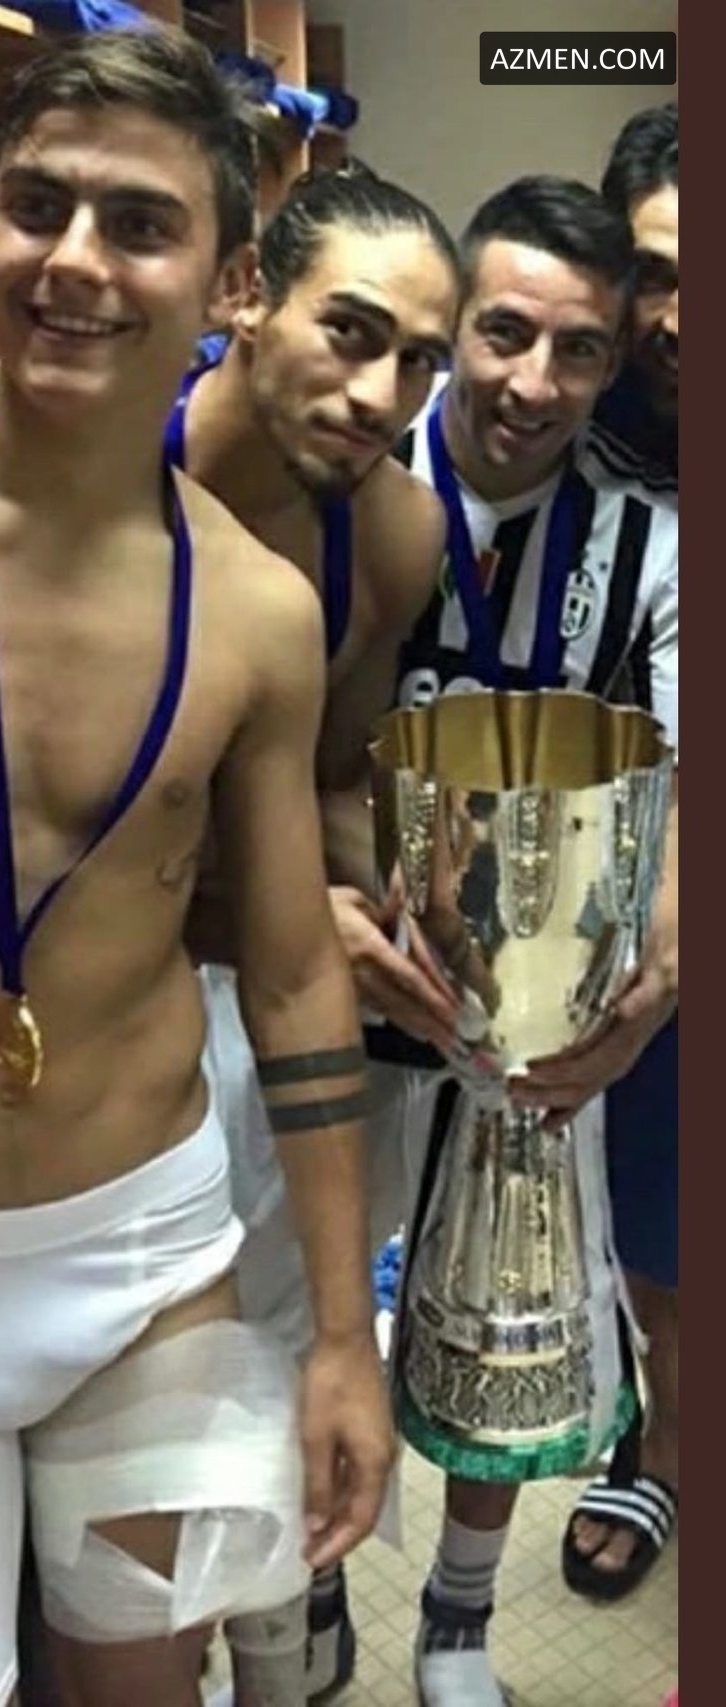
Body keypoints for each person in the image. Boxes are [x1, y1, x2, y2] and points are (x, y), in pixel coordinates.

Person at [0, 29, 394, 1707]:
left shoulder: (259, 612)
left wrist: (340, 1333)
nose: (76, 262)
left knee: (144, 1694)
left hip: (151, 1259)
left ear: (232, 284)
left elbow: (294, 973)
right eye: (39, 207)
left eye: (141, 224)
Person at [308, 173, 677, 1706]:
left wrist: (660, 977)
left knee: (501, 1324)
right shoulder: (335, 485)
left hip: (527, 1024)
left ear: (613, 362)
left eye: (579, 350)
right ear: (452, 327)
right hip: (323, 987)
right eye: (505, 334)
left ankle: (457, 1624)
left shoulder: (649, 546)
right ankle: (308, 1590)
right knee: (301, 1317)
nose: (534, 382)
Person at [164, 162, 462, 1702]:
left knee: (290, 1344)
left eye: (419, 361)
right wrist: (288, 912)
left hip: (251, 991)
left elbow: (324, 788)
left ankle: (287, 1631)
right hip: (66, 1007)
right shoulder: (85, 457)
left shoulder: (392, 530)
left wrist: (430, 923)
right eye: (350, 332)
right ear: (245, 299)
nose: (380, 395)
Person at [561, 101, 679, 1606]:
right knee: (654, 1218)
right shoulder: (558, 433)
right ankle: (657, 1437)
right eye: (658, 272)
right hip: (616, 894)